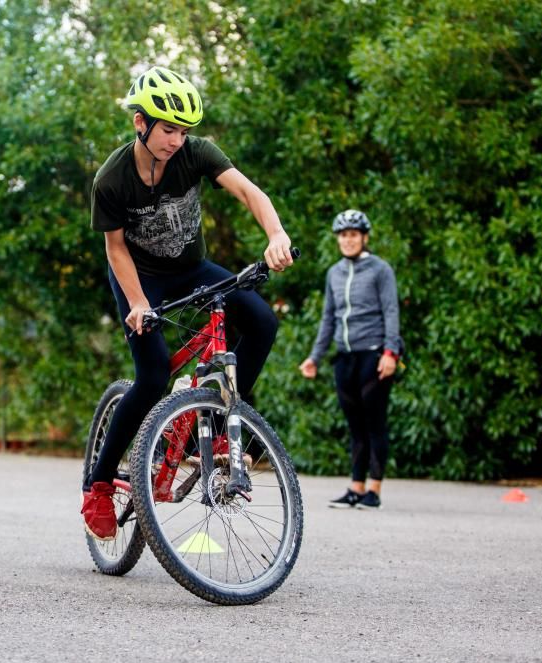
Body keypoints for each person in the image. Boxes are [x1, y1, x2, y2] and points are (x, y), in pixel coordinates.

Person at [82, 65, 293, 540]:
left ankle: (216, 424)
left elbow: (246, 190)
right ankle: (97, 484)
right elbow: (115, 249)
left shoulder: (196, 153)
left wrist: (275, 233)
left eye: (182, 131)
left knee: (260, 322)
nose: (176, 140)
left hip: (191, 269)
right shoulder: (112, 179)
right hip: (139, 279)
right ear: (141, 123)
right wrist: (138, 304)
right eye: (168, 129)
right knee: (154, 374)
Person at [298, 210, 402, 510]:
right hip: (345, 358)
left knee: (375, 424)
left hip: (375, 354)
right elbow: (328, 319)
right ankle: (356, 487)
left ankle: (374, 489)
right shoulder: (334, 272)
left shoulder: (380, 270)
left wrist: (390, 353)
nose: (348, 239)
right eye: (343, 235)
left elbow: (391, 312)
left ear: (364, 237)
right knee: (355, 426)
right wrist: (314, 357)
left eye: (353, 234)